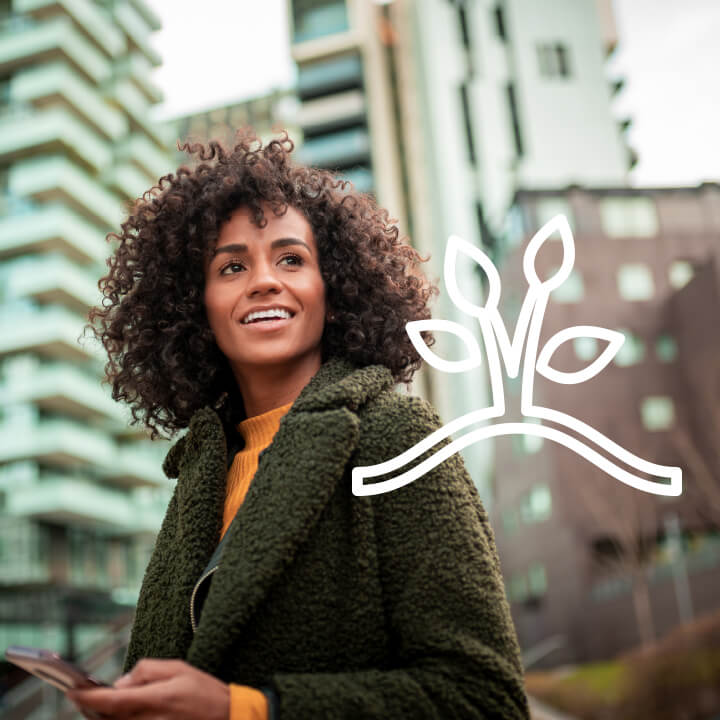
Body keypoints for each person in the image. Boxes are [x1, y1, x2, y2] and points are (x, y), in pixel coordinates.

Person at [68, 131, 530, 719]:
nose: (264, 280)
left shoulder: (396, 437)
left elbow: (486, 700)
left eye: (291, 258)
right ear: (196, 305)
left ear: (332, 292)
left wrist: (249, 710)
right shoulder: (201, 475)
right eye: (231, 266)